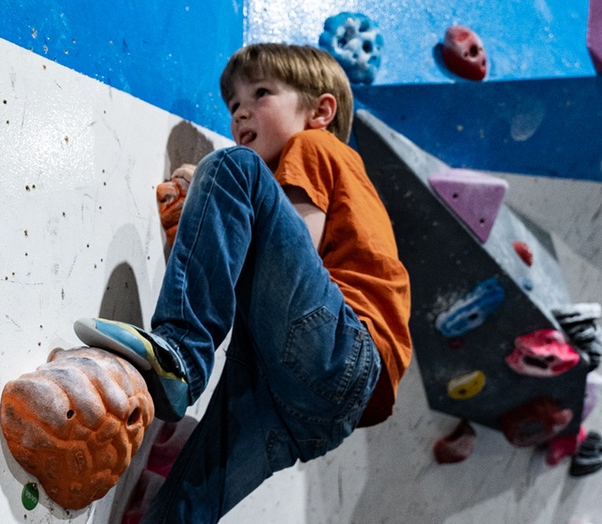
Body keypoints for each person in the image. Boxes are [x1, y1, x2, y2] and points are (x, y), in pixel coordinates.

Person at [74, 43, 412, 522]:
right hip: (316, 410)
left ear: (321, 110)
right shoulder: (316, 169)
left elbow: (302, 240)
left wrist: (213, 187)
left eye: (260, 94)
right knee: (182, 509)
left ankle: (183, 354)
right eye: (233, 105)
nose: (241, 113)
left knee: (234, 166)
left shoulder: (314, 146)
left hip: (337, 343)